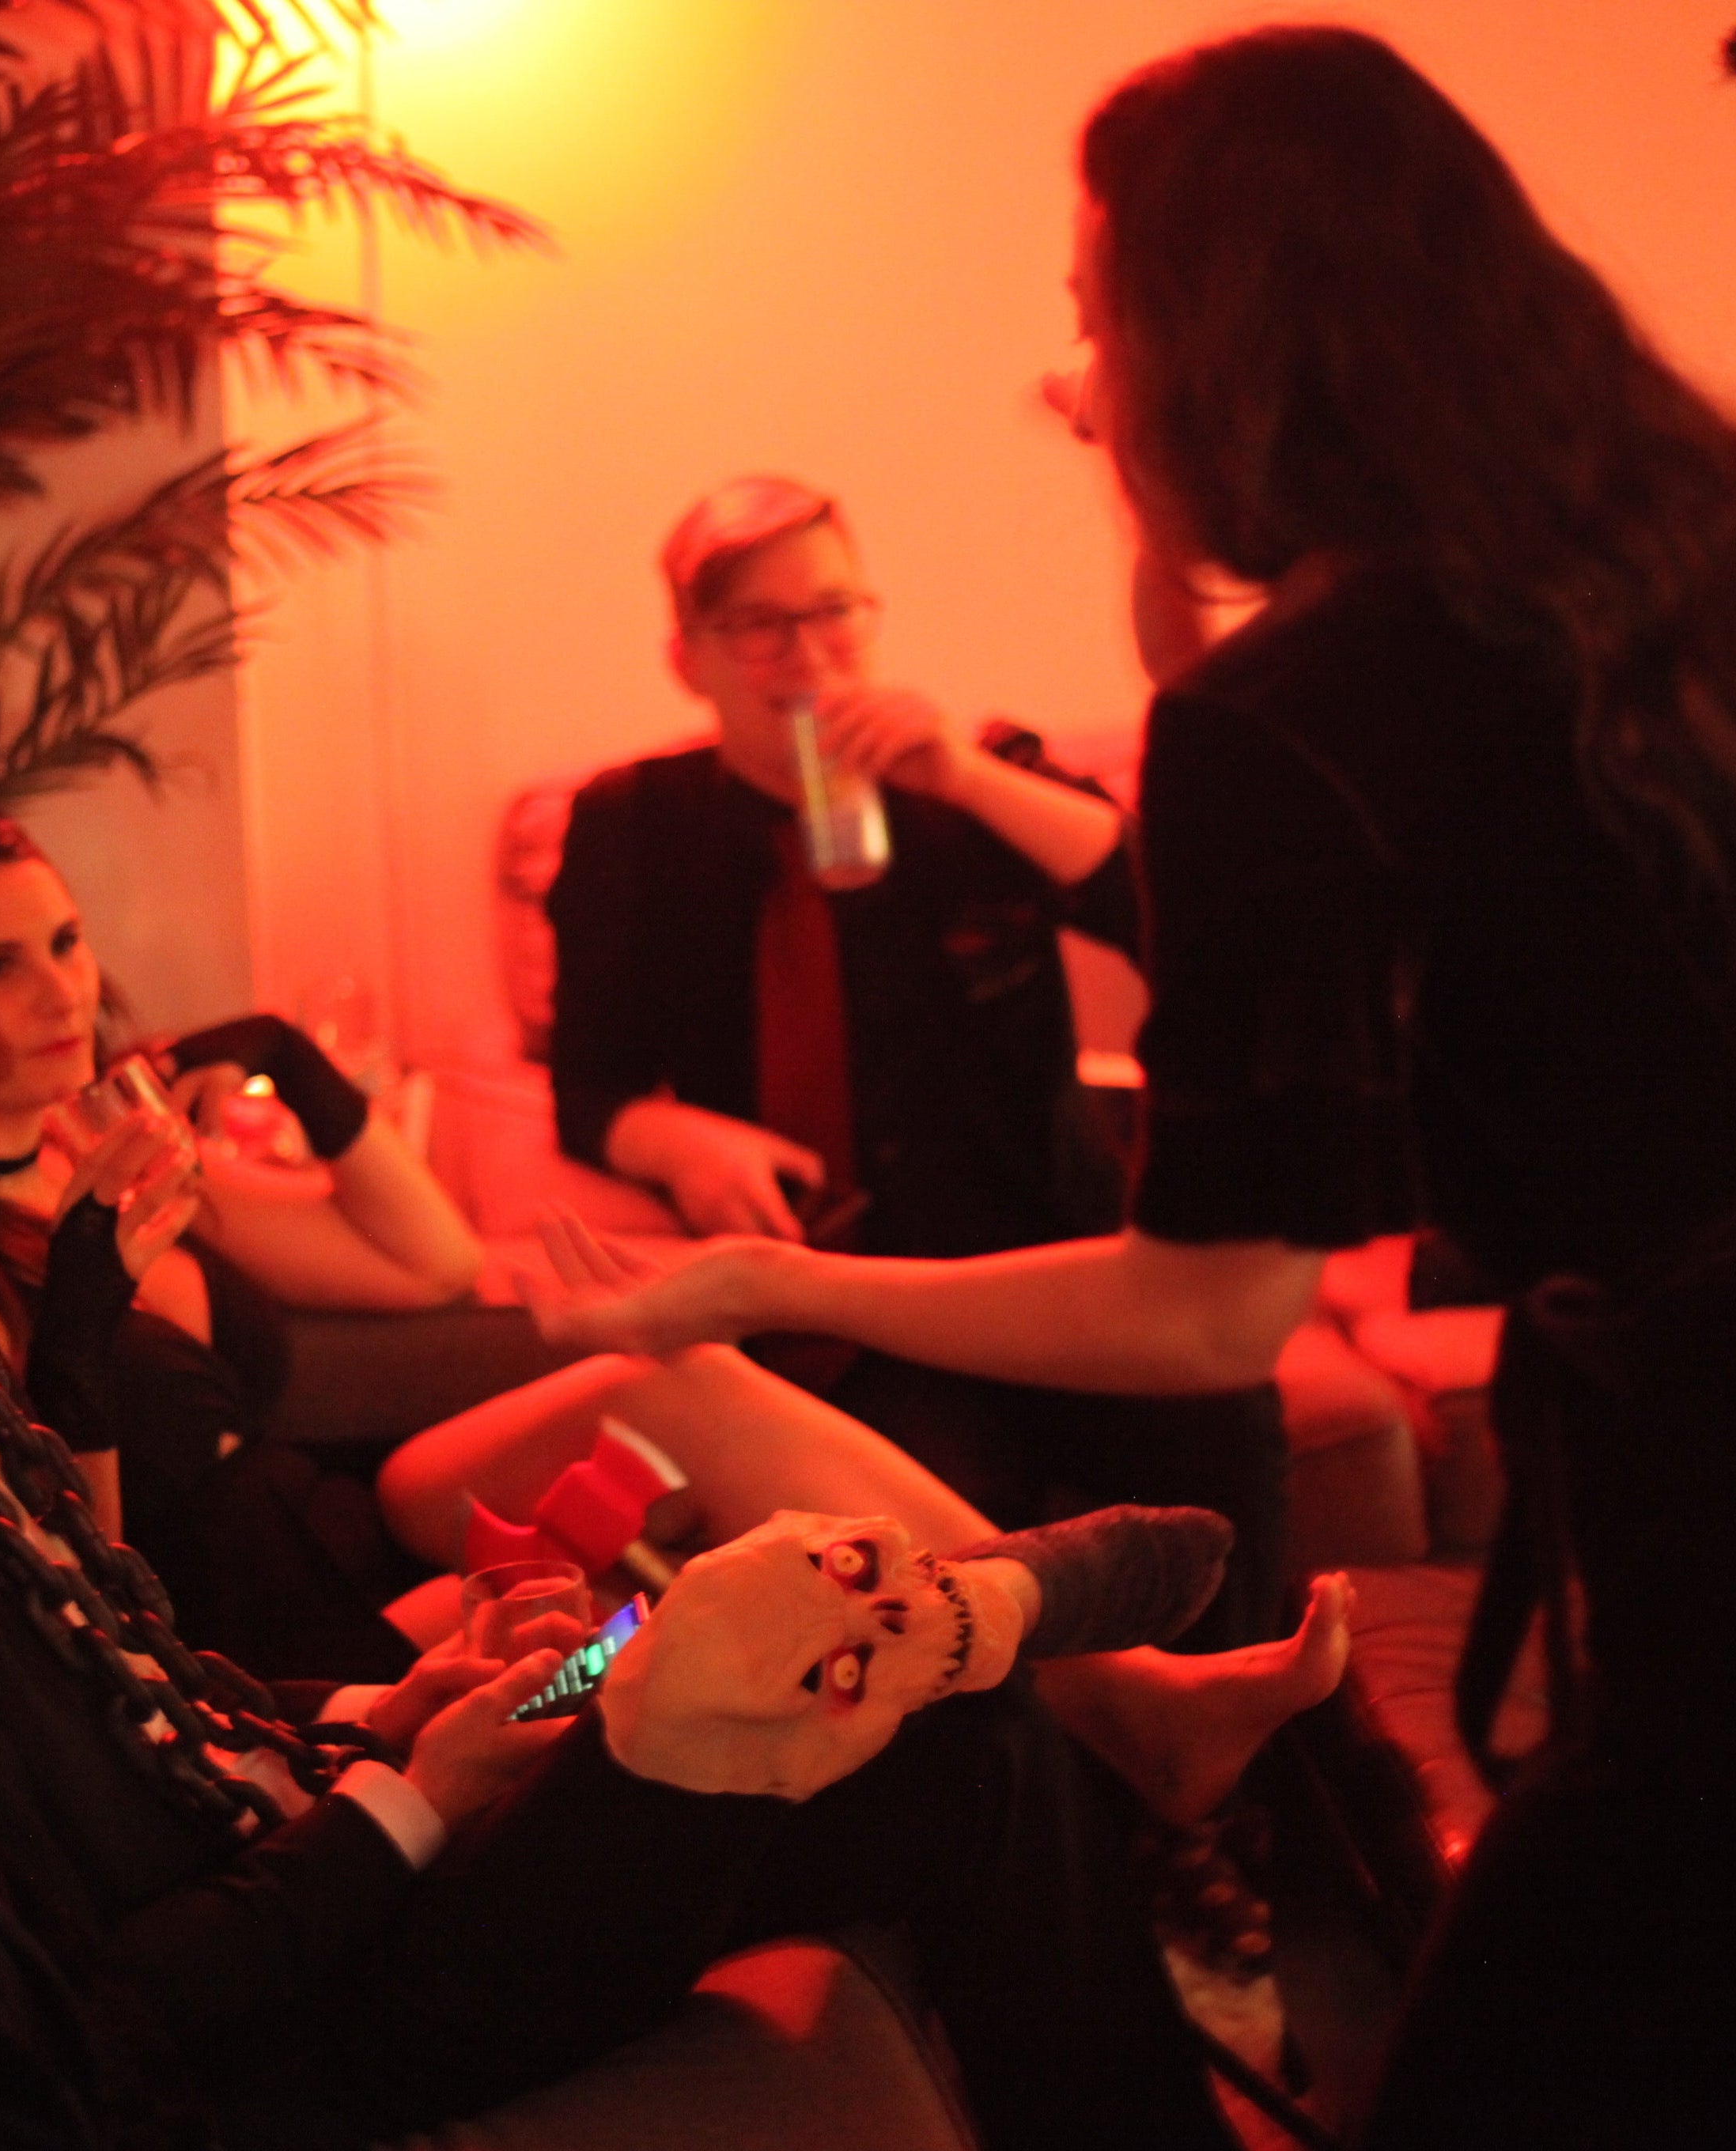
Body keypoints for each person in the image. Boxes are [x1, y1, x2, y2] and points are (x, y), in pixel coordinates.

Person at [530, 26, 1736, 2147]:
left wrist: (760, 1298)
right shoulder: (1692, 537)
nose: (1084, 363)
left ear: (1207, 339)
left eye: (1100, 309)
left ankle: (1264, 1898)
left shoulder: (1272, 715)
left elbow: (1211, 1298)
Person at [0, 865, 1324, 2150]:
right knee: (826, 1679)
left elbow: (119, 1689)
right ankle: (1034, 1607)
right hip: (318, 2008)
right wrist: (414, 1803)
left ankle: (1032, 1664)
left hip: (343, 1818)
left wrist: (389, 1712)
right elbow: (83, 1967)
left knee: (951, 1740)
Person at [548, 477, 1288, 1646]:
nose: (809, 653)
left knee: (1221, 1443)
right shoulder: (630, 827)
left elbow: (1186, 924)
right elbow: (585, 1087)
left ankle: (1247, 1766)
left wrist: (969, 780)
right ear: (689, 655)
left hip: (1056, 1267)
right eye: (760, 623)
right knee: (932, 1564)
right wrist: (680, 1138)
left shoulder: (981, 776)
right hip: (855, 1309)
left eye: (836, 610)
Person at [0, 773, 579, 1671]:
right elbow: (61, 1573)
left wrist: (286, 1053)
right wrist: (78, 1323)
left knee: (669, 1462)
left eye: (67, 943)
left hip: (350, 1565)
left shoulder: (105, 1148)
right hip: (246, 1668)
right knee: (621, 1639)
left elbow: (430, 1261)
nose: (64, 994)